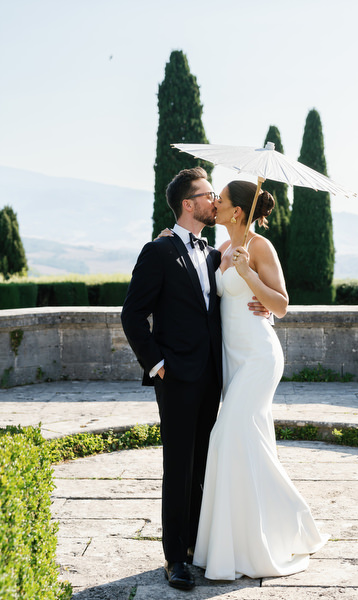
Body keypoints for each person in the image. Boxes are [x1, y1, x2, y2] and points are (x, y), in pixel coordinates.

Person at [121, 168, 268, 591]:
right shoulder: (159, 251)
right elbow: (132, 314)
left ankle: (195, 548)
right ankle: (174, 558)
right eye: (207, 195)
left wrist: (260, 303)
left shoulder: (210, 253)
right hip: (177, 376)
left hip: (213, 376)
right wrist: (156, 363)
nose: (214, 202)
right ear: (189, 204)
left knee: (206, 462)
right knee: (179, 465)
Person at [192, 180, 329, 580]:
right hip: (231, 360)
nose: (214, 203)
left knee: (227, 435)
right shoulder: (217, 250)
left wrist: (248, 273)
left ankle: (261, 538)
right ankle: (256, 534)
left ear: (236, 211)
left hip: (259, 357)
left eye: (222, 200)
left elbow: (281, 305)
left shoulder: (260, 247)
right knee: (248, 443)